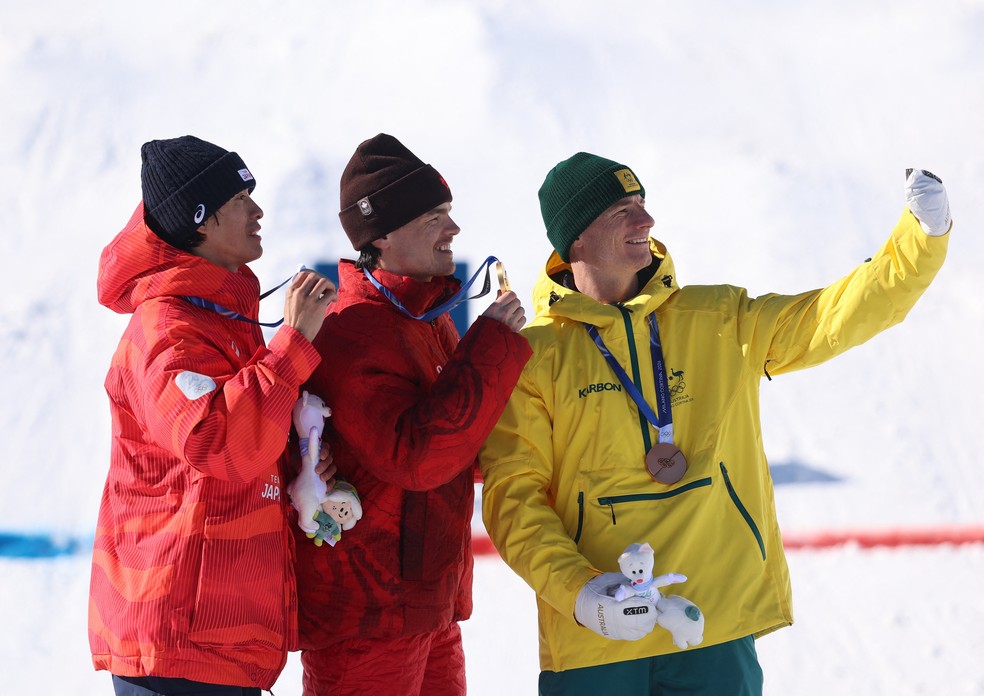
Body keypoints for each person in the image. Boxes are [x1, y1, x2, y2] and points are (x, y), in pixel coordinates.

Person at [479, 153, 951, 695]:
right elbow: (514, 498)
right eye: (621, 211)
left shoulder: (719, 319)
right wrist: (581, 595)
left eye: (643, 204)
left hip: (711, 622)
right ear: (576, 240)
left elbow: (829, 318)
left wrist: (919, 240)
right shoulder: (535, 357)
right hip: (594, 635)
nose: (646, 221)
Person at [89, 135, 338, 696]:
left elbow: (253, 430)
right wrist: (293, 343)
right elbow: (219, 443)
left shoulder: (219, 318)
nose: (259, 210)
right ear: (200, 220)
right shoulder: (167, 330)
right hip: (180, 644)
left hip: (216, 641)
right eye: (240, 197)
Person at [292, 133, 532, 696]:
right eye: (434, 217)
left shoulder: (423, 317)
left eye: (448, 213)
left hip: (425, 604)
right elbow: (417, 459)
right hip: (368, 618)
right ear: (383, 235)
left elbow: (459, 448)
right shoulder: (353, 328)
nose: (453, 229)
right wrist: (491, 346)